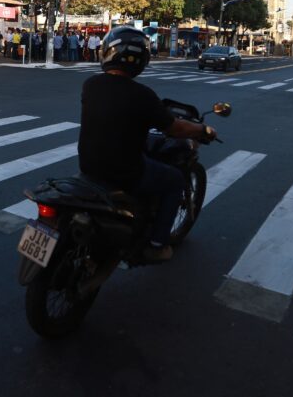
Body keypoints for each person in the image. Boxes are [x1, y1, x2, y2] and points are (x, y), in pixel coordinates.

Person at [78, 26, 217, 263]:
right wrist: (202, 130)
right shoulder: (142, 95)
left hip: (88, 167)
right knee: (174, 180)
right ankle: (156, 244)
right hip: (125, 172)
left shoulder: (90, 85)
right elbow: (175, 128)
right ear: (141, 59)